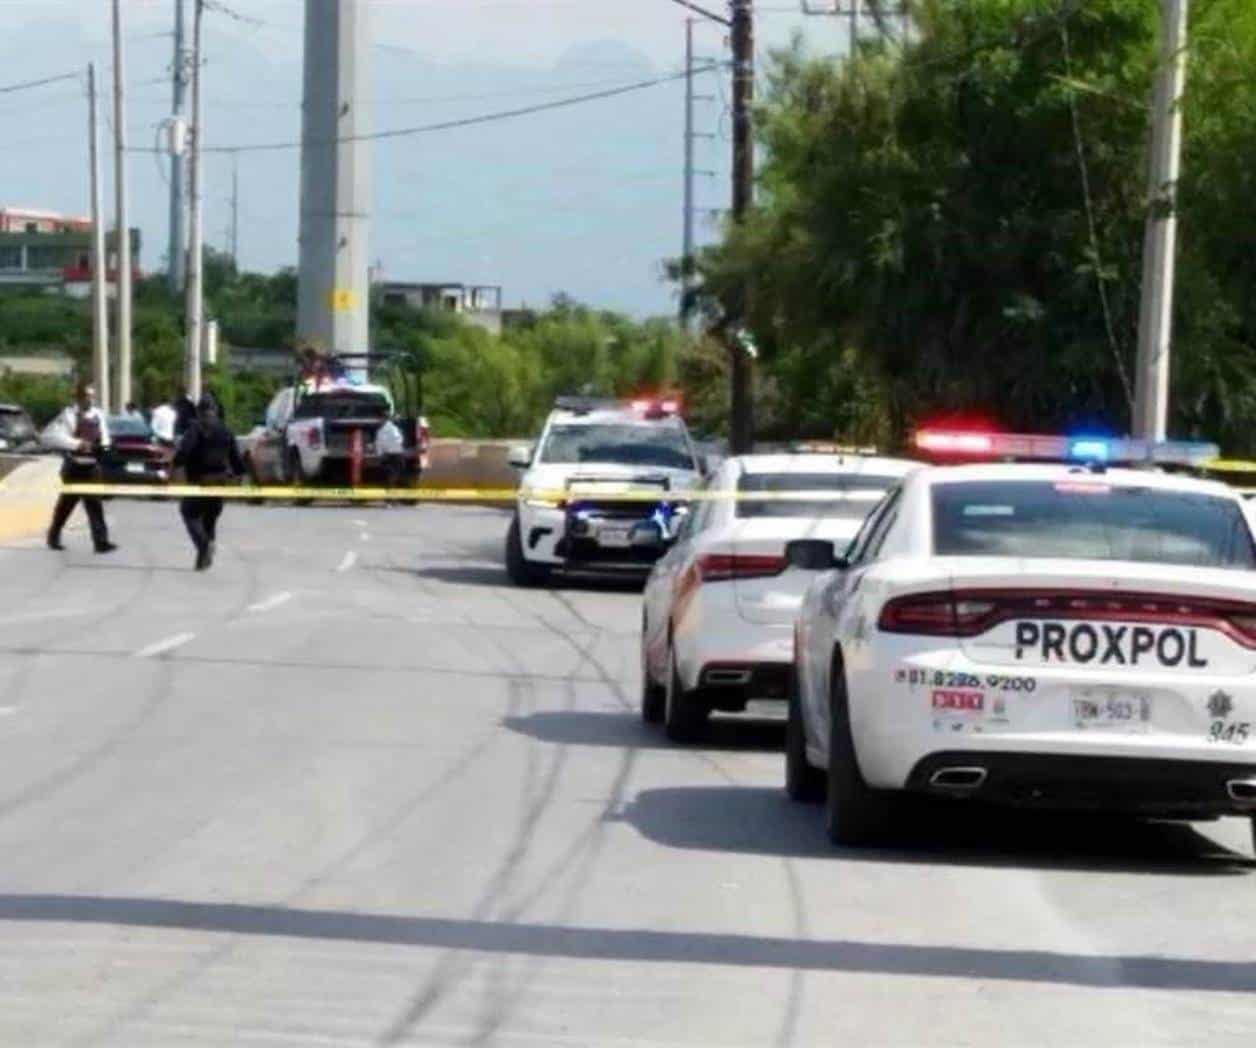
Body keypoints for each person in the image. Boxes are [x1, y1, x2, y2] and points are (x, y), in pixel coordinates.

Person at [41, 382, 117, 554]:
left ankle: (101, 542)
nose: (89, 399)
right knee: (66, 506)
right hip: (74, 467)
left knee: (95, 506)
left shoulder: (98, 415)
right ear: (78, 397)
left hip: (92, 467)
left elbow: (104, 436)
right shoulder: (68, 415)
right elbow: (49, 436)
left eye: (91, 396)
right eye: (86, 396)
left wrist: (104, 446)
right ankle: (53, 536)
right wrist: (77, 444)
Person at [173, 394, 244, 571]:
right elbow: (236, 461)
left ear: (198, 411)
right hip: (220, 482)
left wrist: (175, 464)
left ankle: (204, 546)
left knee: (188, 513)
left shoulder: (196, 429)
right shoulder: (226, 431)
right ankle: (203, 559)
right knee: (210, 520)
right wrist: (239, 479)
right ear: (215, 411)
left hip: (199, 482)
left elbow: (184, 451)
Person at [376, 416, 405, 497]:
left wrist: (380, 454)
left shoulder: (381, 430)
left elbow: (379, 444)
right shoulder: (394, 428)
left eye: (380, 420)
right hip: (397, 453)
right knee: (395, 474)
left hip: (389, 454)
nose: (379, 421)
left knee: (390, 474)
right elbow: (400, 439)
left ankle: (390, 495)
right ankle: (393, 493)